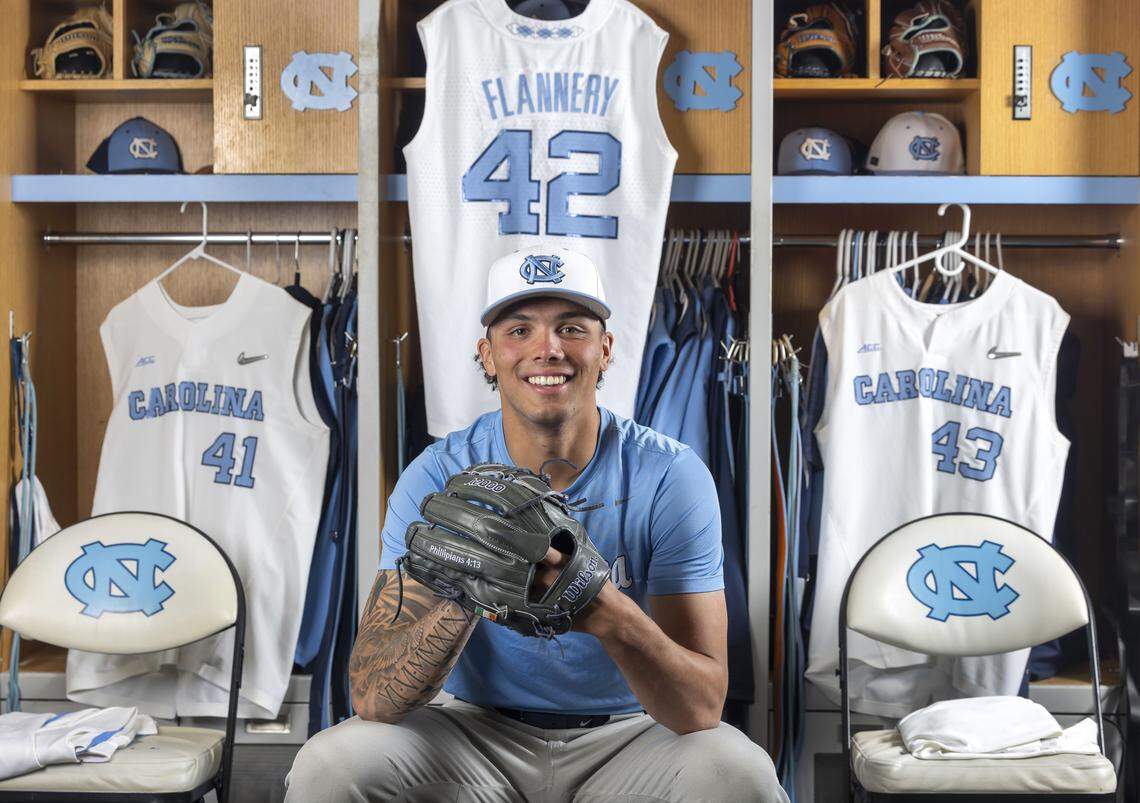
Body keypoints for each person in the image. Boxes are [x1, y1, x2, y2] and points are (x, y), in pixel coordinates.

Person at [285, 248, 786, 802]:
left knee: (740, 773)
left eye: (571, 328)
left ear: (606, 348)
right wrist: (465, 591)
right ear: (488, 354)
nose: (547, 349)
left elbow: (700, 707)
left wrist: (604, 609)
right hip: (473, 734)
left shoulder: (668, 473)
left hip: (630, 735)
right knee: (332, 764)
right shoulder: (439, 474)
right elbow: (373, 699)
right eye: (519, 330)